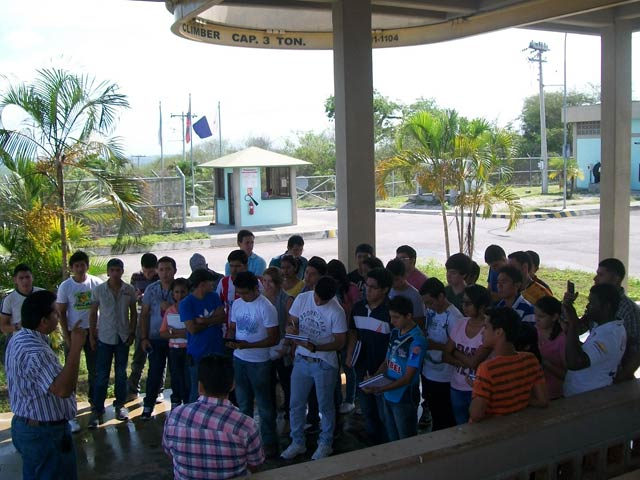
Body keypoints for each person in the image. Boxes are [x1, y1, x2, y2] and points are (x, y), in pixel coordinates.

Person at [7, 290, 87, 479]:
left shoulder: (19, 337)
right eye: (55, 313)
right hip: (44, 433)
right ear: (43, 321)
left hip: (31, 427)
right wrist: (75, 348)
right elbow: (63, 389)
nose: (59, 317)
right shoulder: (35, 351)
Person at [162, 355, 265, 480]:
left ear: (200, 387)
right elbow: (255, 464)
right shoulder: (246, 425)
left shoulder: (175, 416)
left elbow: (169, 452)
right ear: (232, 385)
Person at [281, 276, 347, 461]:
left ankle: (325, 443)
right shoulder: (303, 298)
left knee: (325, 406)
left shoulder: (337, 311)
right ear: (314, 288)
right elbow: (291, 320)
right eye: (317, 297)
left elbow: (340, 342)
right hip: (302, 358)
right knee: (296, 403)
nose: (318, 302)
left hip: (324, 363)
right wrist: (292, 329)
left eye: (323, 301)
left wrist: (316, 347)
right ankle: (297, 442)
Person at [227, 271, 280, 457]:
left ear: (256, 289)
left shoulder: (266, 307)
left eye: (245, 293)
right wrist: (232, 340)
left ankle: (269, 442)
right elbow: (233, 327)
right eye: (239, 293)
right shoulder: (238, 304)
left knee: (265, 405)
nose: (242, 296)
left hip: (259, 362)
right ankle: (245, 441)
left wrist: (249, 345)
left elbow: (273, 338)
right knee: (243, 403)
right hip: (239, 358)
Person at [469, 307, 549, 423]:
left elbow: (476, 414)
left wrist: (476, 386)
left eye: (486, 327)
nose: (482, 332)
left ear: (499, 332)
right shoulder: (530, 360)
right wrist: (519, 399)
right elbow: (543, 400)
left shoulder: (486, 369)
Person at [364, 296, 426, 441]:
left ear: (409, 316)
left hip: (404, 397)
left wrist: (380, 389)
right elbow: (387, 361)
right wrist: (373, 379)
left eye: (396, 317)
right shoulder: (394, 333)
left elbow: (408, 378)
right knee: (392, 437)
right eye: (391, 317)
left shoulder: (417, 341)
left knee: (406, 440)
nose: (392, 321)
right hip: (388, 393)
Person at [56, 250, 103, 433]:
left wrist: (96, 332)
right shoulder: (65, 286)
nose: (79, 268)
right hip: (73, 333)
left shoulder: (96, 283)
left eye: (82, 265)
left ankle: (94, 406)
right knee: (71, 371)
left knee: (95, 371)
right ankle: (70, 412)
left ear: (87, 266)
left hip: (93, 332)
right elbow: (60, 312)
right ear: (71, 268)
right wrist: (67, 337)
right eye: (76, 266)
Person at [346, 267, 393, 446]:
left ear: (385, 289)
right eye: (366, 286)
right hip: (362, 370)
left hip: (384, 373)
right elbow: (353, 331)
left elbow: (394, 346)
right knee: (368, 412)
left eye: (373, 287)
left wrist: (380, 372)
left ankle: (387, 449)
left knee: (385, 414)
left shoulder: (391, 312)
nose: (368, 290)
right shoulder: (358, 307)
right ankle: (373, 446)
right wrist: (350, 352)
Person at [88, 258, 137, 427]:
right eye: (112, 270)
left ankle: (120, 405)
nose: (115, 273)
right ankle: (97, 408)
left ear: (122, 271)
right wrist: (92, 335)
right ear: (108, 272)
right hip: (105, 338)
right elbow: (93, 313)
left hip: (122, 337)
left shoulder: (129, 290)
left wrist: (132, 332)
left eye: (118, 270)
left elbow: (133, 313)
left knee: (121, 373)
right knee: (101, 374)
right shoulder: (99, 290)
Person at [562, 283, 627, 397]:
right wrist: (568, 310)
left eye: (592, 303)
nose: (587, 306)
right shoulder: (606, 327)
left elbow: (575, 362)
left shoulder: (609, 336)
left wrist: (573, 324)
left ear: (606, 306)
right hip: (583, 395)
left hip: (588, 399)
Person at [419, 277, 463, 431]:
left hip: (445, 376)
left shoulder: (455, 318)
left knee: (445, 417)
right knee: (434, 412)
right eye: (425, 303)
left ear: (441, 296)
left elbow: (458, 349)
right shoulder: (431, 311)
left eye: (430, 302)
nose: (428, 306)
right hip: (428, 370)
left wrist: (435, 345)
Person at [444, 284, 492, 424]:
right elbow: (445, 355)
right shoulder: (460, 323)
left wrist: (455, 351)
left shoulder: (488, 328)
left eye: (469, 303)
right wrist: (464, 360)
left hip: (477, 390)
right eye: (463, 302)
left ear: (482, 306)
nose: (464, 306)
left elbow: (473, 363)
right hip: (456, 387)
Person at [181, 269, 226, 403]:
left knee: (218, 389)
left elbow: (222, 317)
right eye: (210, 282)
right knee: (197, 390)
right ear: (202, 284)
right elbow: (192, 329)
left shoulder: (214, 296)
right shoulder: (186, 303)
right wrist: (213, 321)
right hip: (197, 354)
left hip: (217, 350)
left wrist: (204, 321)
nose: (213, 284)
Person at [140, 256, 177, 419]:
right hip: (155, 337)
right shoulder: (151, 289)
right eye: (161, 269)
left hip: (177, 337)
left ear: (174, 270)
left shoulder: (181, 287)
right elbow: (145, 314)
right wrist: (144, 337)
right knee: (154, 371)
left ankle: (177, 404)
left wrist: (170, 307)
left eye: (168, 269)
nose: (164, 273)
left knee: (177, 372)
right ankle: (148, 405)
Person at [593, 258, 640, 381]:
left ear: (616, 278)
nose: (595, 279)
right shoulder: (597, 302)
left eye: (601, 275)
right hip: (596, 370)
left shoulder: (628, 309)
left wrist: (622, 377)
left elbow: (635, 349)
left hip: (614, 376)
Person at [327, 259, 360, 414]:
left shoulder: (351, 289)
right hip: (333, 335)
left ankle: (350, 399)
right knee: (335, 368)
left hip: (348, 333)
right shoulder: (329, 290)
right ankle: (338, 399)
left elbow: (356, 311)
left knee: (349, 366)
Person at [262, 267, 294, 422]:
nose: (267, 285)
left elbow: (291, 325)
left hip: (282, 346)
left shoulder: (286, 299)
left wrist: (286, 346)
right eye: (265, 281)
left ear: (278, 283)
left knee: (286, 381)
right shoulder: (261, 298)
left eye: (270, 282)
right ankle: (271, 411)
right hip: (265, 346)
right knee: (268, 383)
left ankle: (289, 411)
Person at [127, 252, 159, 402]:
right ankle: (133, 389)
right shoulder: (136, 277)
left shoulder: (160, 279)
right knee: (138, 357)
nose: (148, 275)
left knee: (157, 359)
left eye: (151, 271)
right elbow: (132, 296)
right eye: (145, 271)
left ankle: (158, 390)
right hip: (141, 320)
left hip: (156, 321)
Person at [159, 278, 191, 409]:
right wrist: (179, 333)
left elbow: (191, 332)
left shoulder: (191, 309)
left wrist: (177, 332)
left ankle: (188, 402)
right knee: (176, 376)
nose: (180, 295)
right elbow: (163, 332)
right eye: (176, 292)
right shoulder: (170, 310)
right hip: (174, 350)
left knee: (187, 377)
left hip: (188, 349)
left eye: (183, 292)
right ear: (172, 293)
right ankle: (176, 400)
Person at [534, 296, 566, 400]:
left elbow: (568, 375)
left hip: (554, 394)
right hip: (534, 392)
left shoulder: (562, 340)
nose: (536, 319)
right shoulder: (534, 331)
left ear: (554, 317)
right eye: (535, 315)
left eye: (541, 316)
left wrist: (545, 363)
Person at [0, 263, 43, 335]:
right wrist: (18, 327)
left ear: (32, 277)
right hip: (20, 340)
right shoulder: (9, 300)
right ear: (15, 280)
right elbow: (3, 327)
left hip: (42, 338)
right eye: (21, 278)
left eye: (27, 277)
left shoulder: (43, 294)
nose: (25, 281)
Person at [386, 258, 425, 328]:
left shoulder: (415, 296)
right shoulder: (387, 290)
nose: (392, 283)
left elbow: (419, 321)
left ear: (405, 275)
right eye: (390, 279)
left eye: (396, 279)